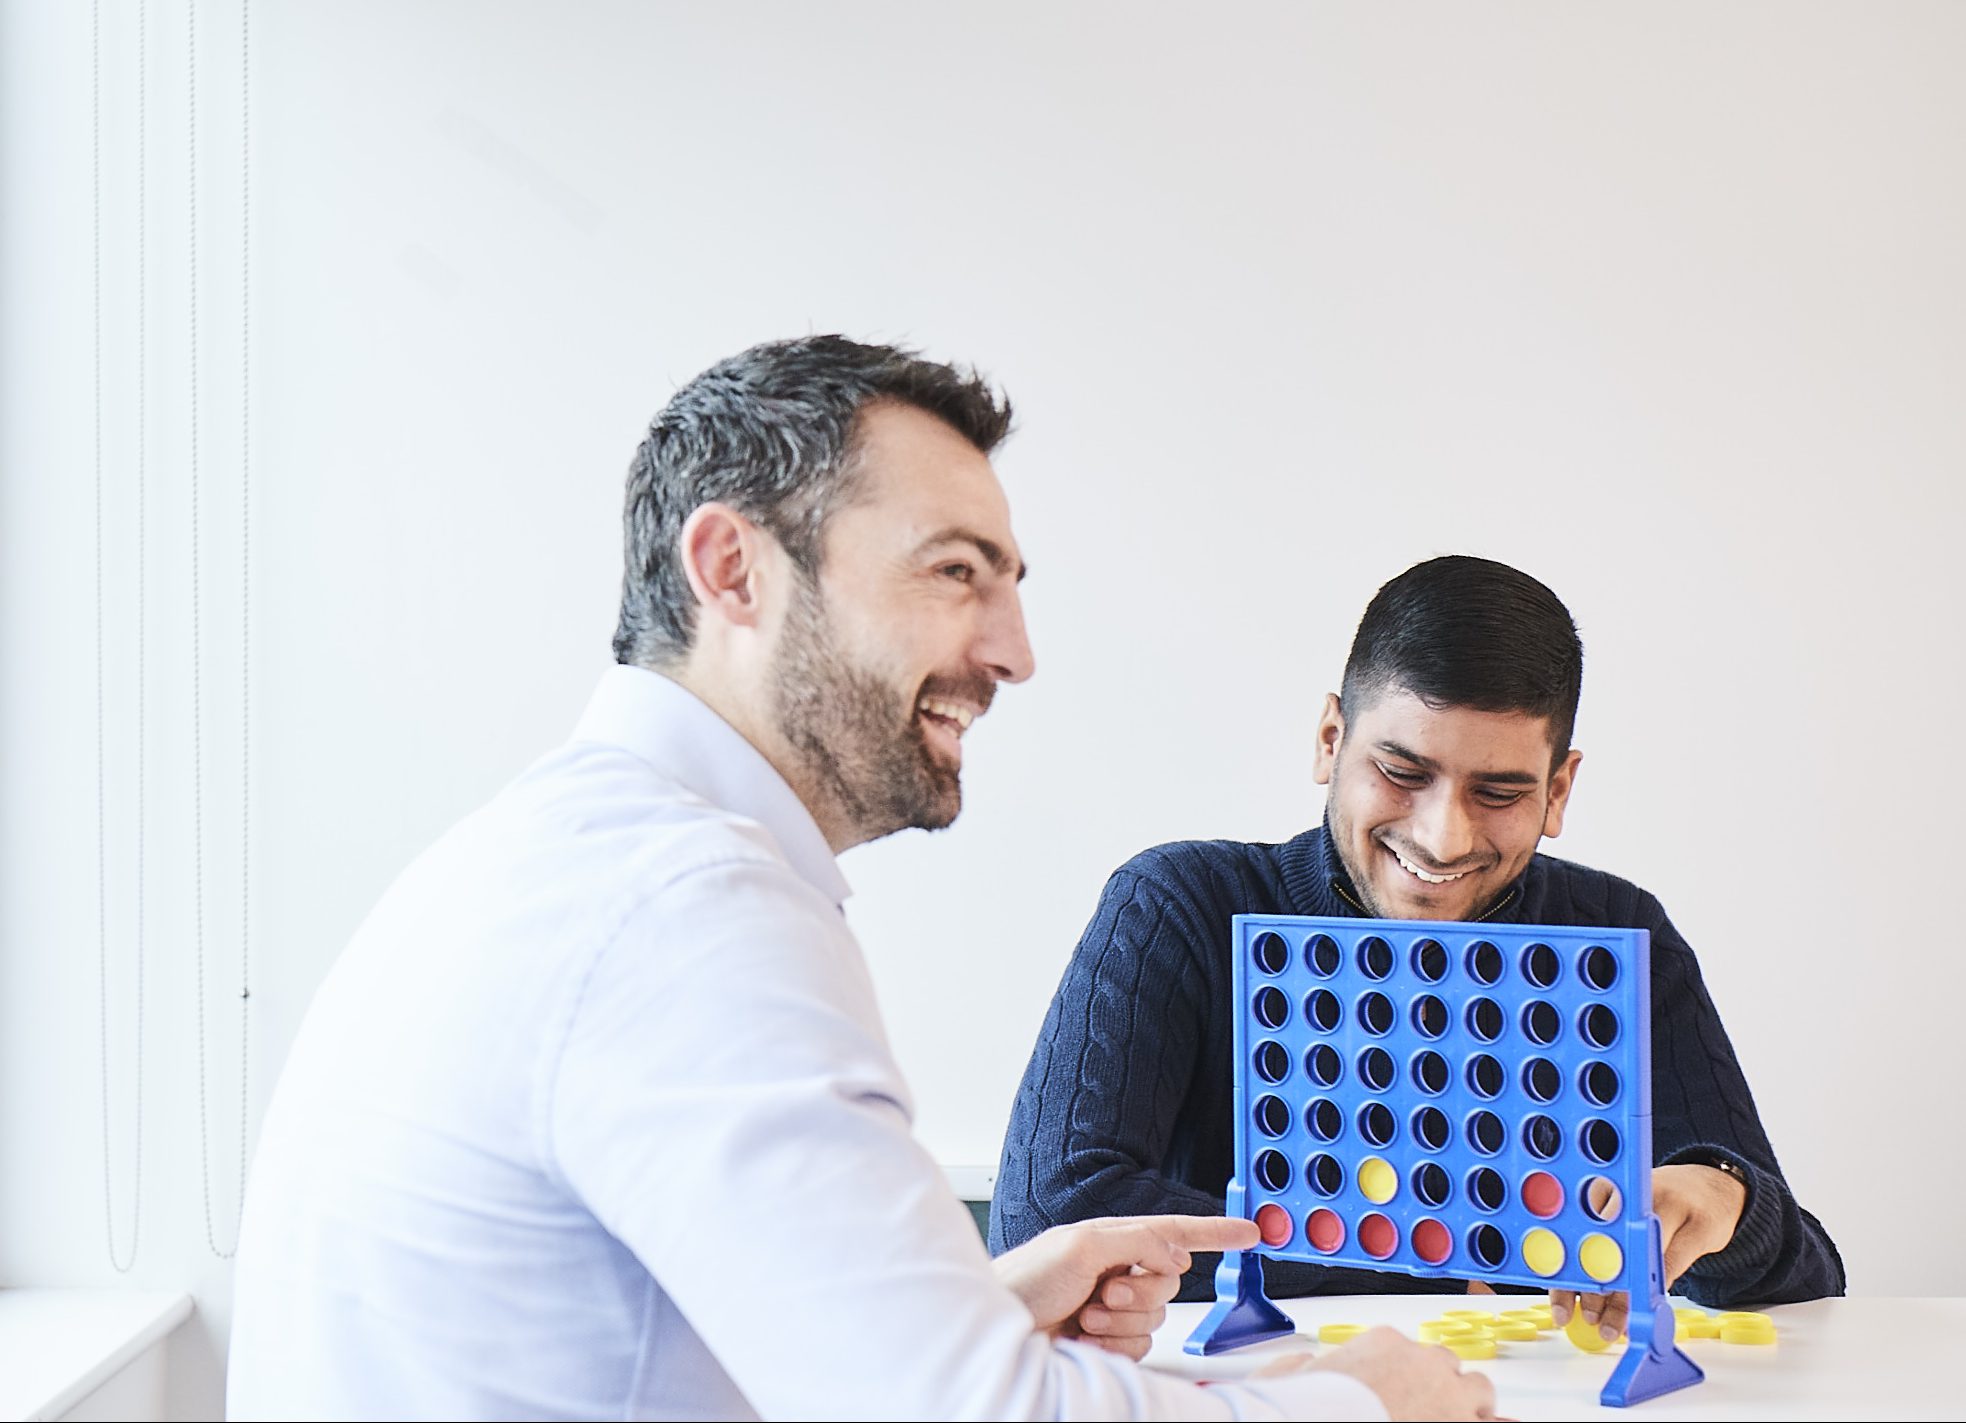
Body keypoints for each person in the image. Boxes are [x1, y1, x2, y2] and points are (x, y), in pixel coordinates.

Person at [227, 338, 1498, 1421]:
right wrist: (1360, 1399)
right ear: (733, 570)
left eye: (1009, 585)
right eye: (955, 572)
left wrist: (968, 1311)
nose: (1014, 652)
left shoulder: (565, 860)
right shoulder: (687, 907)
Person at [990, 555, 1846, 1340]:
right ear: (1331, 741)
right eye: (1402, 771)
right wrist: (1433, 1266)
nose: (1442, 836)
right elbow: (1049, 1223)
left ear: (1559, 790)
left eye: (1501, 790)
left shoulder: (1617, 935)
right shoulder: (1182, 903)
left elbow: (1808, 1273)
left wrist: (1723, 1198)